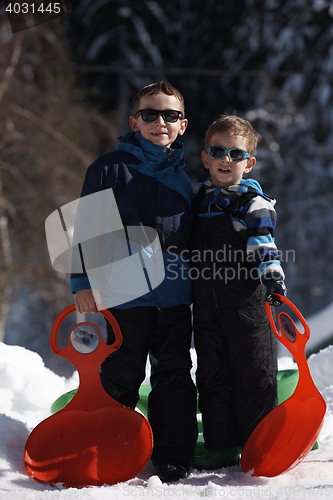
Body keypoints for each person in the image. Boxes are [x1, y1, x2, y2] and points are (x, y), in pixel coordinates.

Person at [71, 81, 198, 482]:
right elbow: (87, 230)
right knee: (122, 373)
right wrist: (82, 283)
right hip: (123, 294)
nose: (159, 122)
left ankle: (173, 455)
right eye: (150, 114)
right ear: (134, 121)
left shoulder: (184, 182)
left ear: (182, 125)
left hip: (175, 295)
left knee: (174, 373)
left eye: (170, 115)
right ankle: (108, 447)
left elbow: (190, 240)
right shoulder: (108, 168)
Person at [190, 114, 287, 470]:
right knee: (212, 376)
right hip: (205, 307)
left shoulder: (252, 203)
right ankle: (221, 446)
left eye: (236, 153)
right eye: (218, 151)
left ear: (249, 162)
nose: (226, 160)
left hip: (247, 304)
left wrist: (274, 280)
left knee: (253, 372)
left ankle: (259, 445)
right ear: (205, 158)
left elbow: (264, 245)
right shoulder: (199, 199)